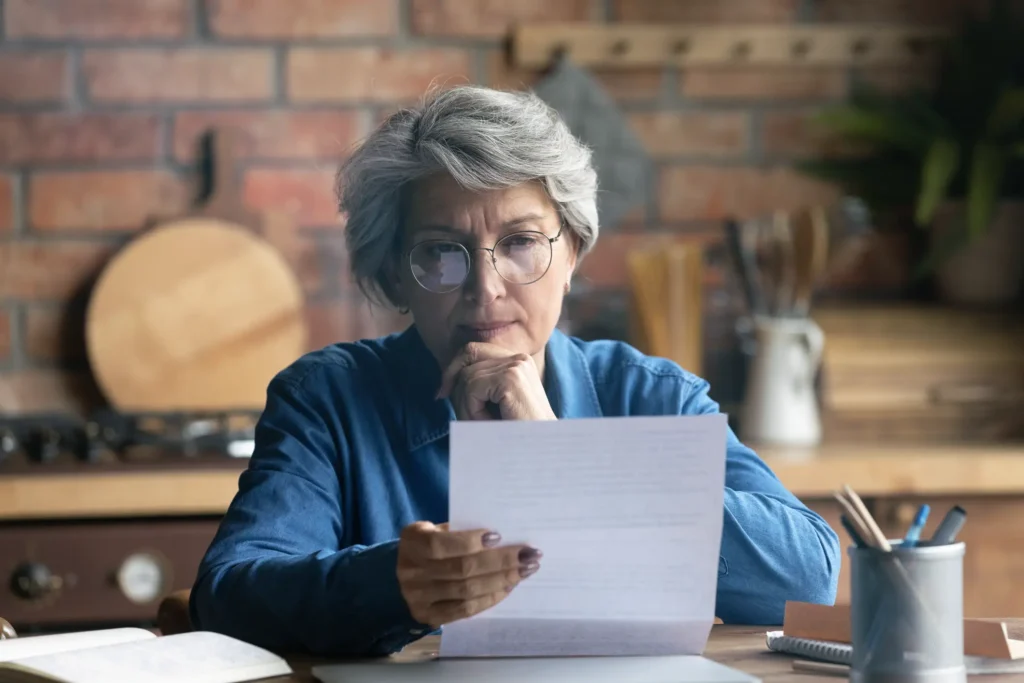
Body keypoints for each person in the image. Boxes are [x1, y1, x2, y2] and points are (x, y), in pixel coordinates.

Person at [189, 85, 840, 657]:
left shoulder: (649, 392)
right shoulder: (327, 399)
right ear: (395, 275)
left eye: (522, 243)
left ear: (573, 252)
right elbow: (226, 594)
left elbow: (806, 575)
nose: (485, 289)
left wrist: (566, 456)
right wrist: (391, 586)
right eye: (442, 253)